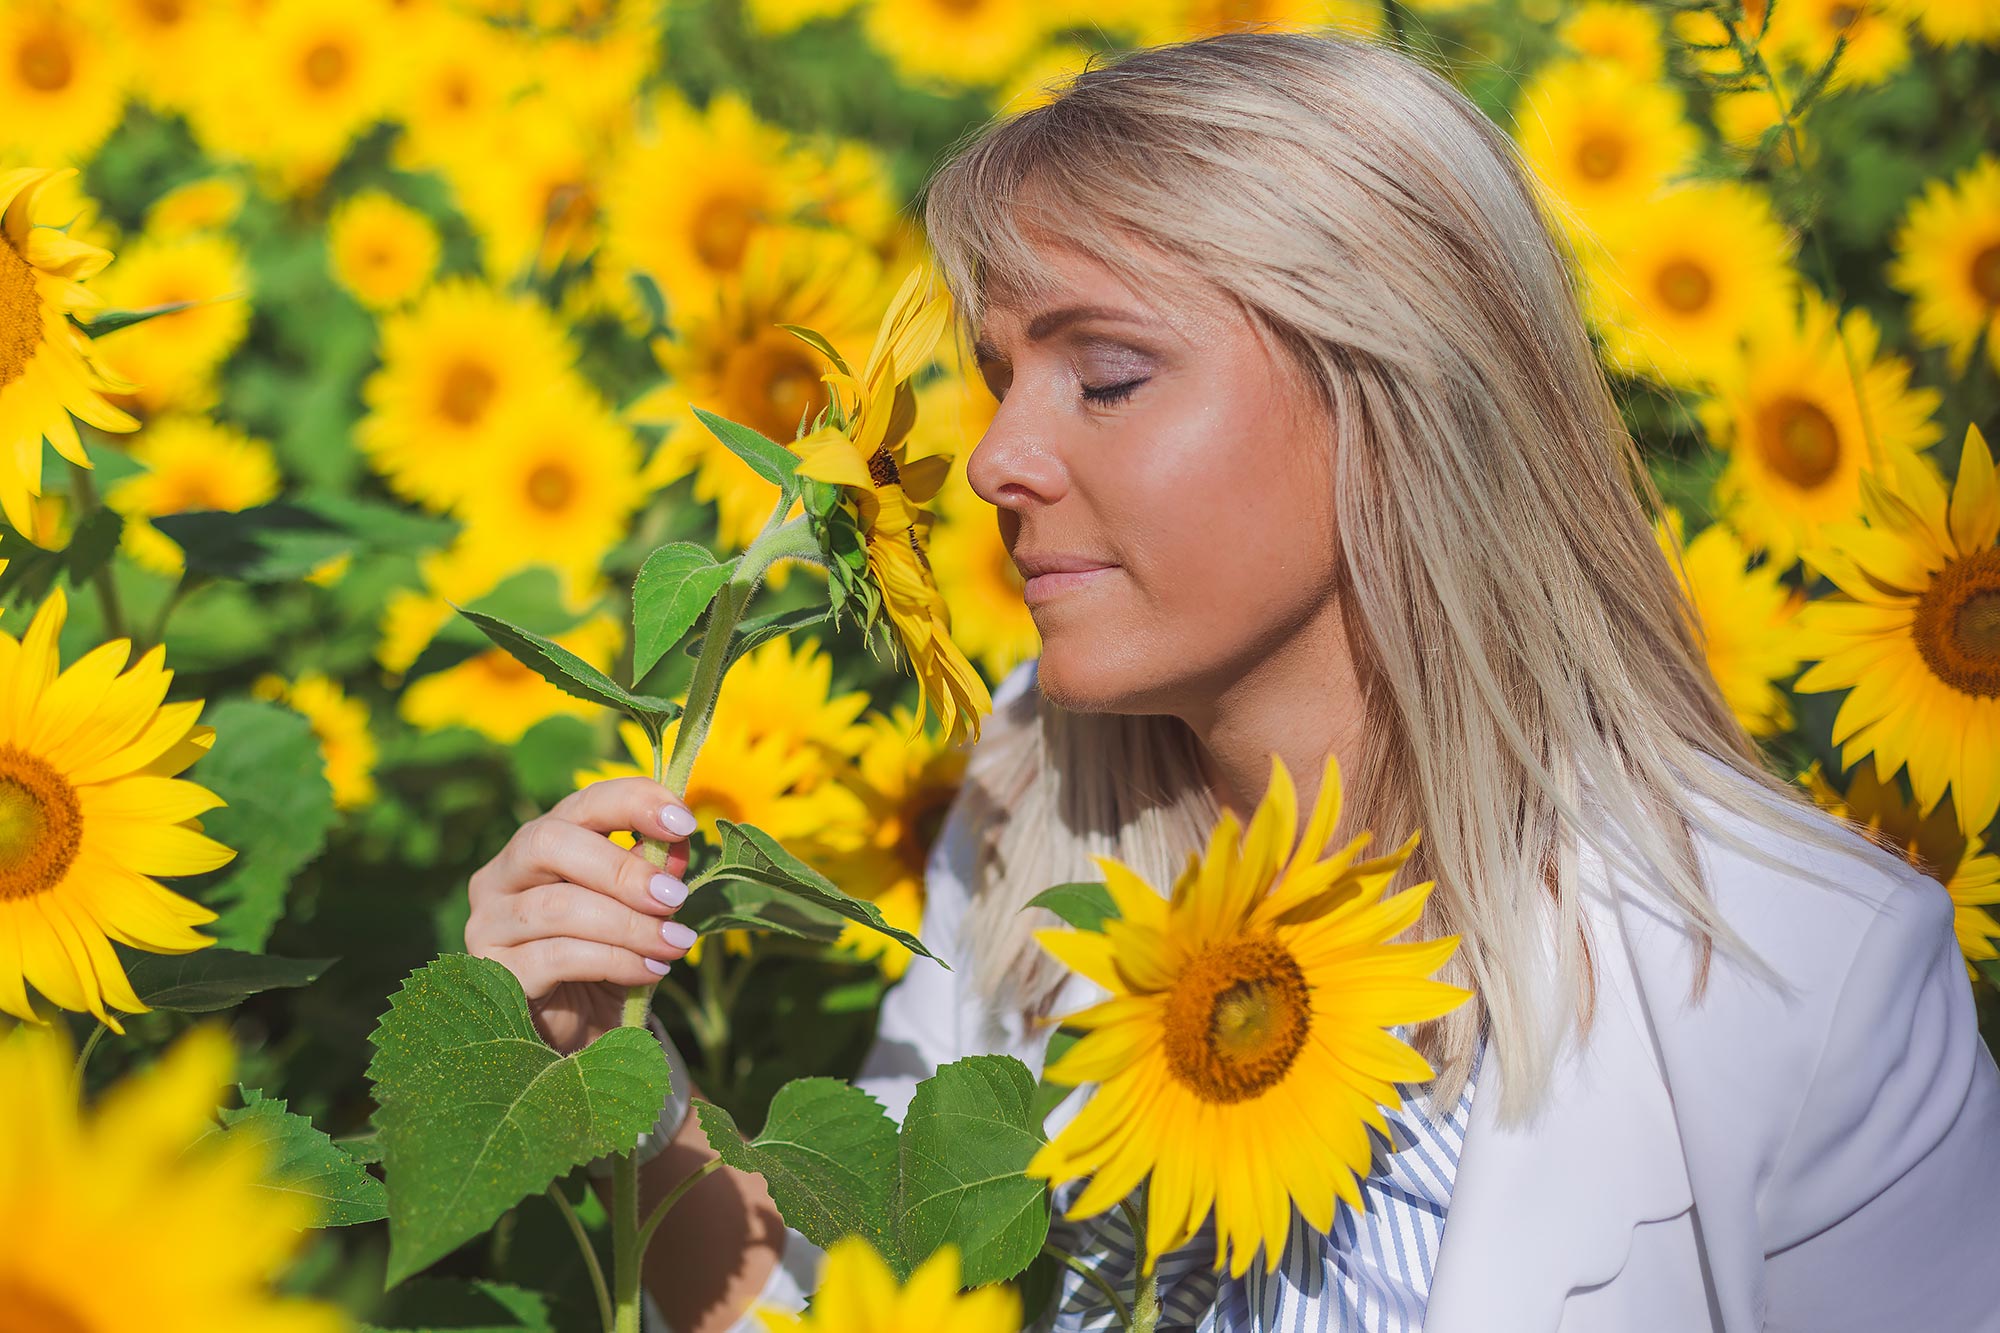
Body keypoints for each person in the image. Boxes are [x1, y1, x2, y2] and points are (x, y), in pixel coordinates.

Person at [463, 29, 2000, 1333]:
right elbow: (851, 1289)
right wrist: (622, 1082)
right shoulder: (1028, 791)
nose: (995, 458)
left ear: (1393, 389)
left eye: (1106, 378)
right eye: (1004, 381)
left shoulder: (1798, 982)